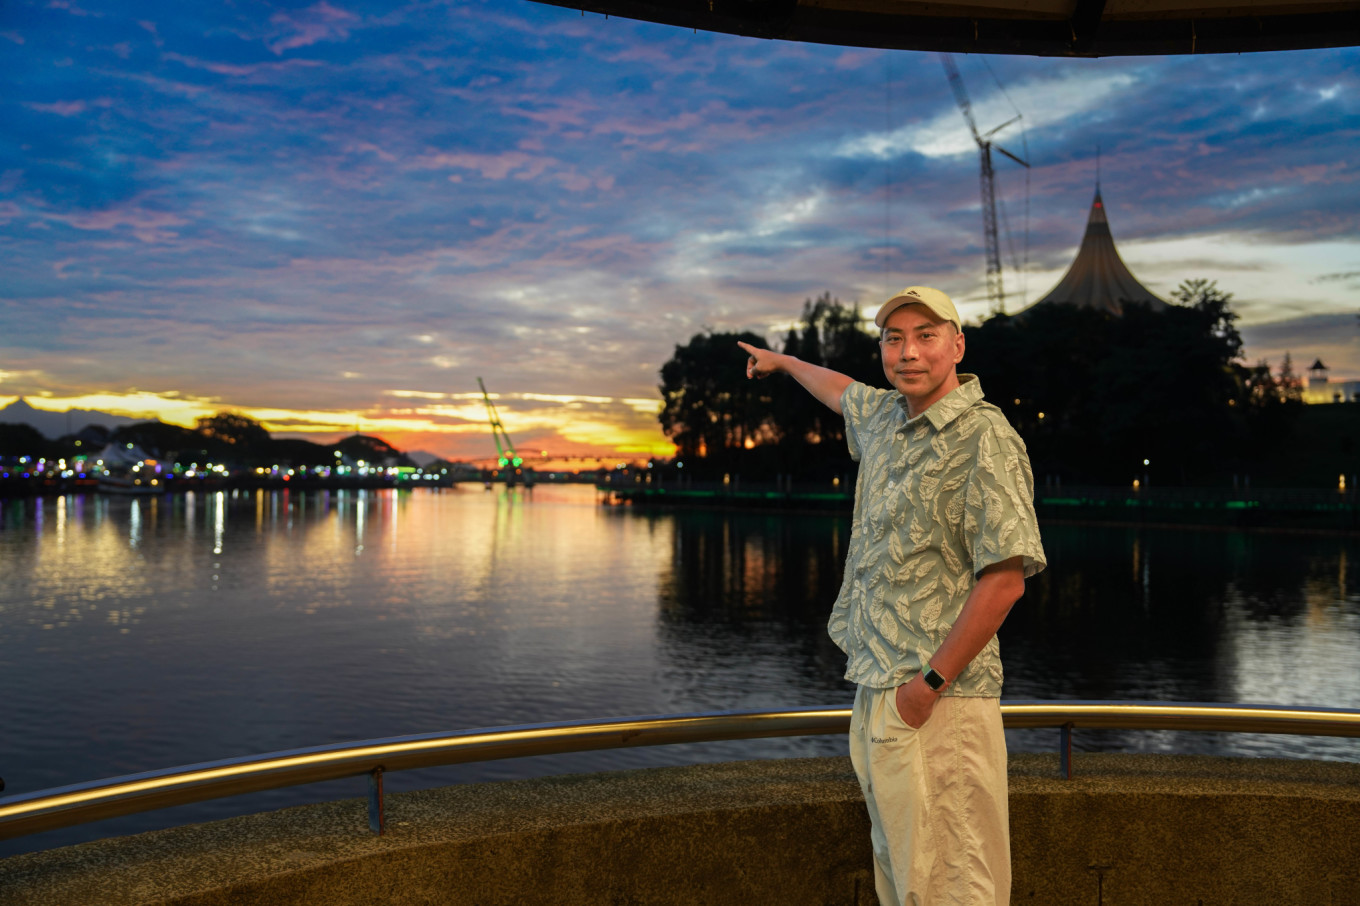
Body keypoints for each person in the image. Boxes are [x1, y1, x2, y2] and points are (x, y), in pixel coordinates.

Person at [738, 285, 1045, 906]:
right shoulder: (887, 418)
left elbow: (1005, 580)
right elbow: (838, 388)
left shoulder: (983, 438)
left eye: (926, 336)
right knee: (904, 876)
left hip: (939, 700)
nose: (908, 352)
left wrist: (926, 688)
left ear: (957, 344)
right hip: (879, 685)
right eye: (893, 338)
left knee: (955, 882)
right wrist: (785, 362)